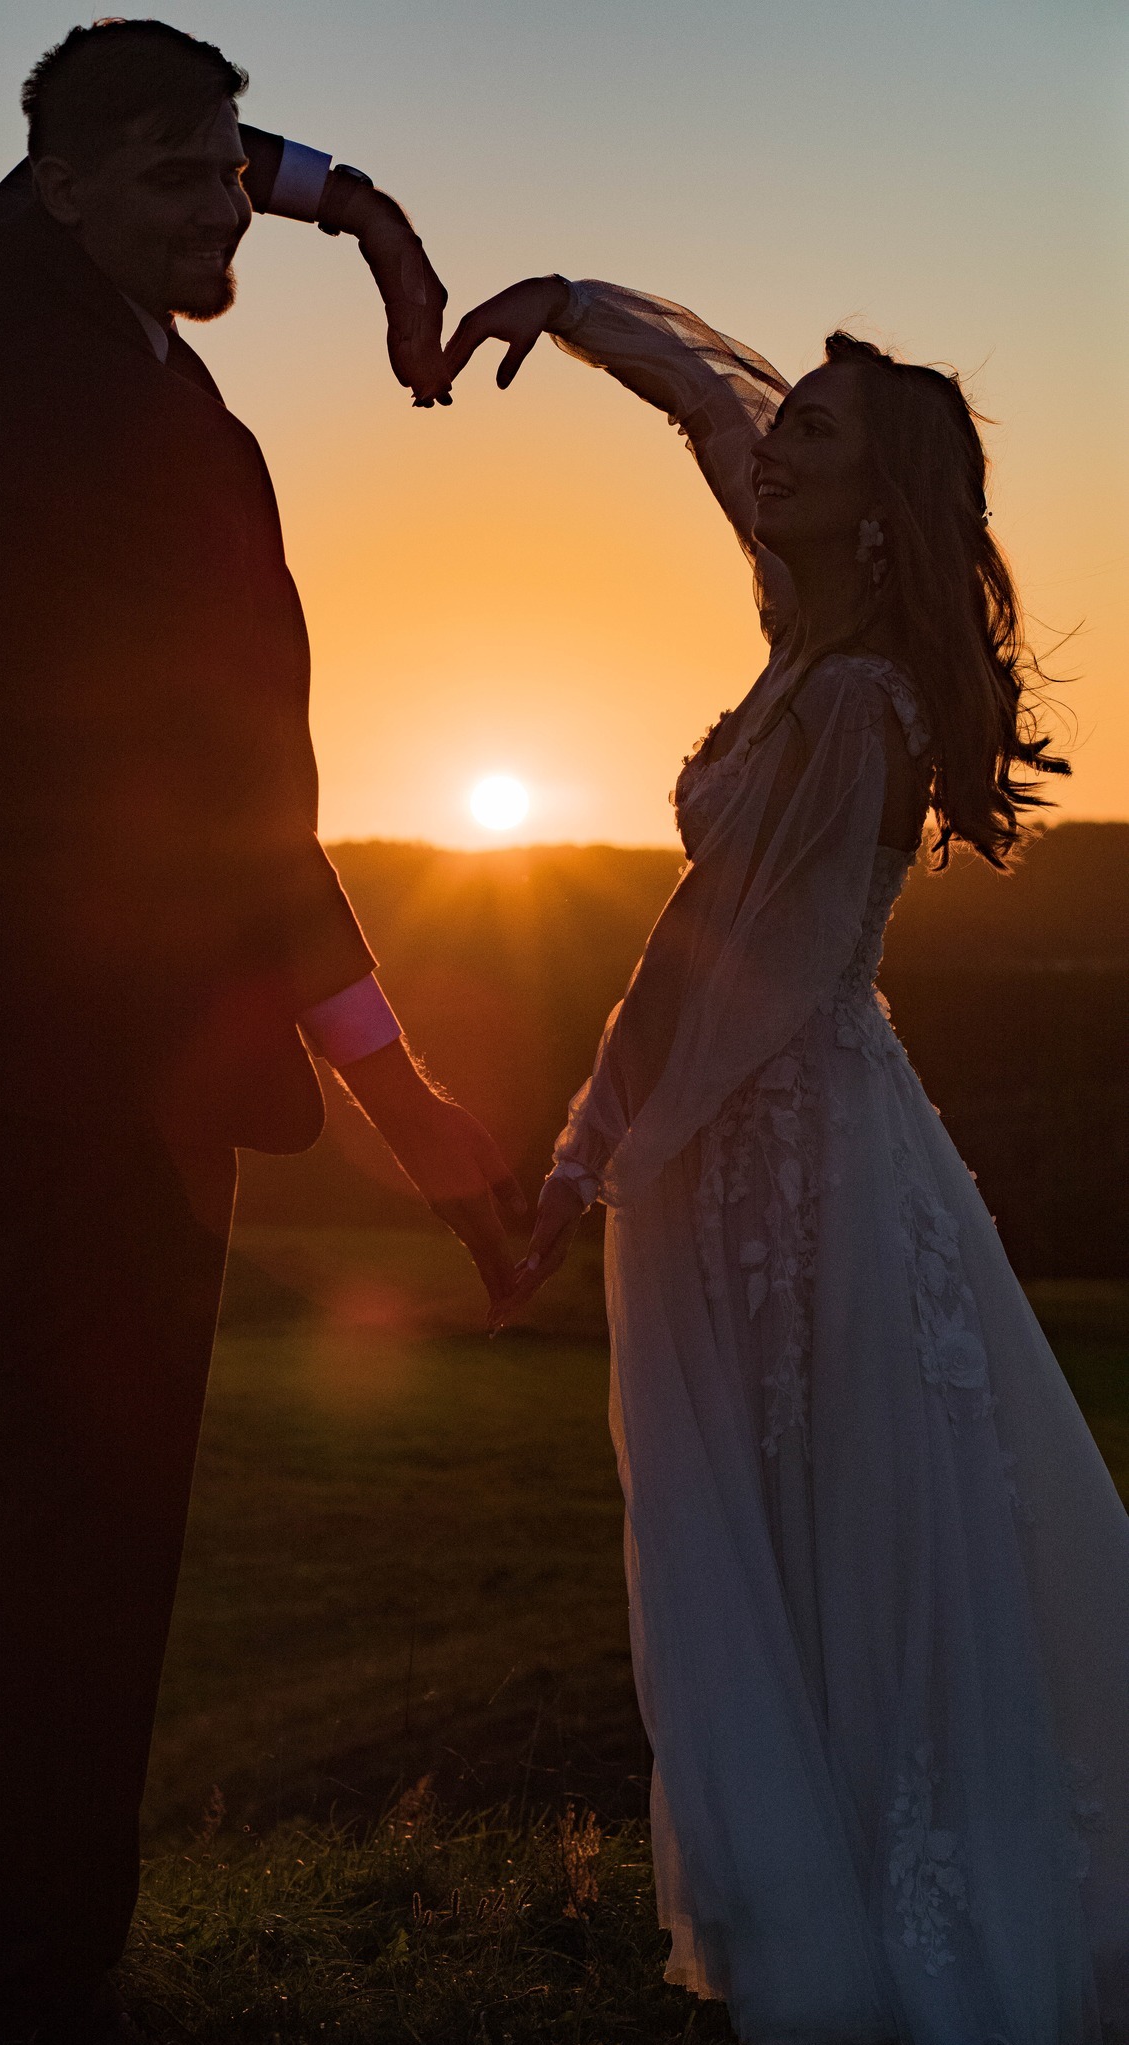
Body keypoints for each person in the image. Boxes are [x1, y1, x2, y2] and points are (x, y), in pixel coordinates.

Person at [0, 22, 523, 2042]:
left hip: (108, 1034)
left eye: (232, 176)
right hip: (30, 1024)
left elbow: (258, 805)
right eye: (183, 179)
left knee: (56, 1501)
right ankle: (3, 1964)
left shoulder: (183, 403)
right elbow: (235, 815)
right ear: (65, 184)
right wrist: (392, 1083)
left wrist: (353, 210)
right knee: (32, 1499)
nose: (224, 210)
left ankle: (0, 1951)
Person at [435, 280, 1129, 2042]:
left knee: (839, 1511)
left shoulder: (852, 710)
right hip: (753, 1145)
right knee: (771, 1511)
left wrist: (593, 1156)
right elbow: (710, 408)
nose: (776, 447)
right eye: (791, 422)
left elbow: (714, 964)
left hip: (792, 1165)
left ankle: (897, 1916)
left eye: (817, 435)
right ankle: (814, 1873)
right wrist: (569, 309)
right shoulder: (802, 626)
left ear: (876, 506)